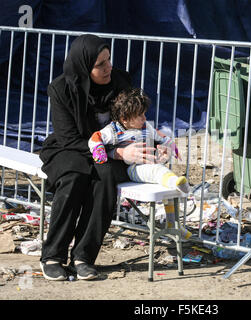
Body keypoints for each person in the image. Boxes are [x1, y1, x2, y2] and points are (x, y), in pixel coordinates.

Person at [39, 34, 157, 281]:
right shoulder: (61, 89)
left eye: (109, 60)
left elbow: (134, 120)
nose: (108, 68)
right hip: (71, 148)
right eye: (100, 64)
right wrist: (115, 152)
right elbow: (68, 138)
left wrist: (154, 143)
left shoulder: (120, 82)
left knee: (104, 179)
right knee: (73, 178)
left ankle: (83, 257)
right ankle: (53, 256)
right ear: (84, 66)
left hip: (112, 149)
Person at [88, 87, 192, 239]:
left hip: (150, 162)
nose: (144, 118)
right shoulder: (114, 131)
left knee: (167, 189)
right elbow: (96, 137)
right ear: (125, 119)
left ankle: (173, 223)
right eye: (139, 115)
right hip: (133, 168)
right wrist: (99, 151)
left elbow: (160, 135)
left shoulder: (146, 126)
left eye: (144, 114)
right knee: (157, 172)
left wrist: (171, 146)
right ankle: (175, 182)